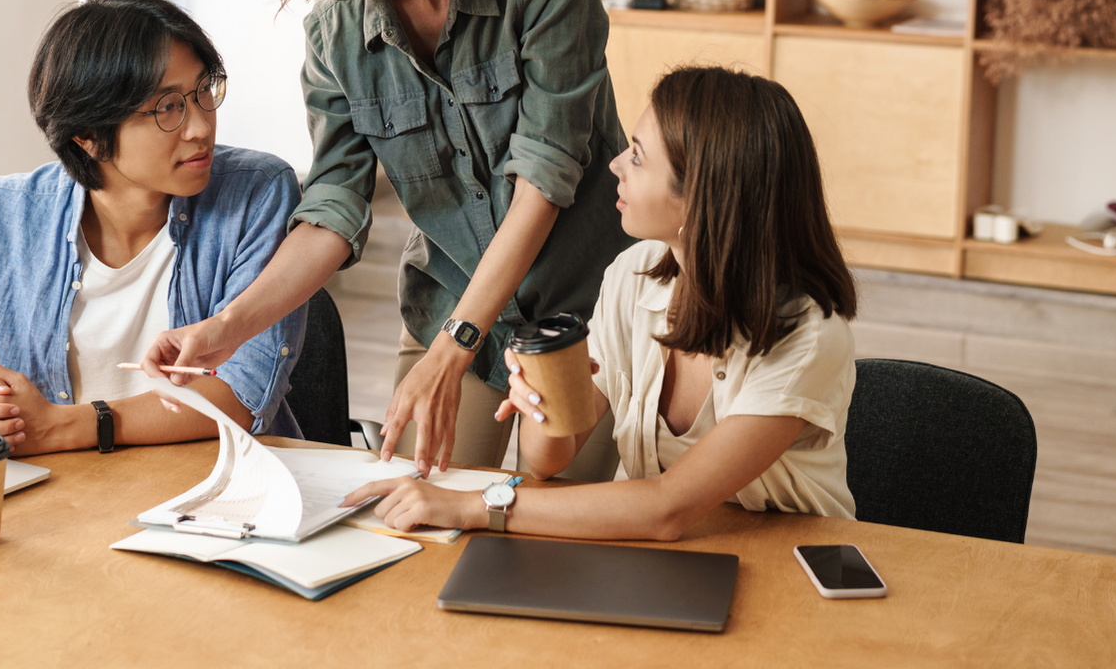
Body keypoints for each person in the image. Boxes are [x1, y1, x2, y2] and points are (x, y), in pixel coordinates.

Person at [143, 0, 631, 477]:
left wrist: (456, 344)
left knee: (555, 528)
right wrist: (227, 328)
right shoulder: (335, 38)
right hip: (448, 299)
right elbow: (333, 212)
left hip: (588, 308)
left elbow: (543, 182)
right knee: (413, 513)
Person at [340, 66, 859, 537]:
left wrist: (475, 506)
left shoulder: (808, 336)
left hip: (789, 572)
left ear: (703, 195)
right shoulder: (633, 275)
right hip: (672, 567)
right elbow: (549, 460)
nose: (614, 164)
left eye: (637, 155)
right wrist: (543, 397)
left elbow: (667, 509)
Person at [0, 0, 306, 454]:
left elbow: (242, 394)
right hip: (68, 486)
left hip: (220, 483)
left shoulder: (257, 193)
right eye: (167, 107)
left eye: (203, 91)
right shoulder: (3, 217)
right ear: (88, 136)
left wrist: (64, 427)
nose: (201, 126)